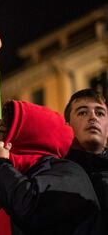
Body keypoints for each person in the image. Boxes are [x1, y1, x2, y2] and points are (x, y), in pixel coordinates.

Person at [0, 100, 101, 235]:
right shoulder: (6, 183)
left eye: (2, 131)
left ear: (28, 136)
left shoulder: (68, 172)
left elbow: (33, 212)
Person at [64, 88, 108, 233]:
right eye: (83, 112)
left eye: (100, 113)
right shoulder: (56, 172)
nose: (93, 117)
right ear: (67, 125)